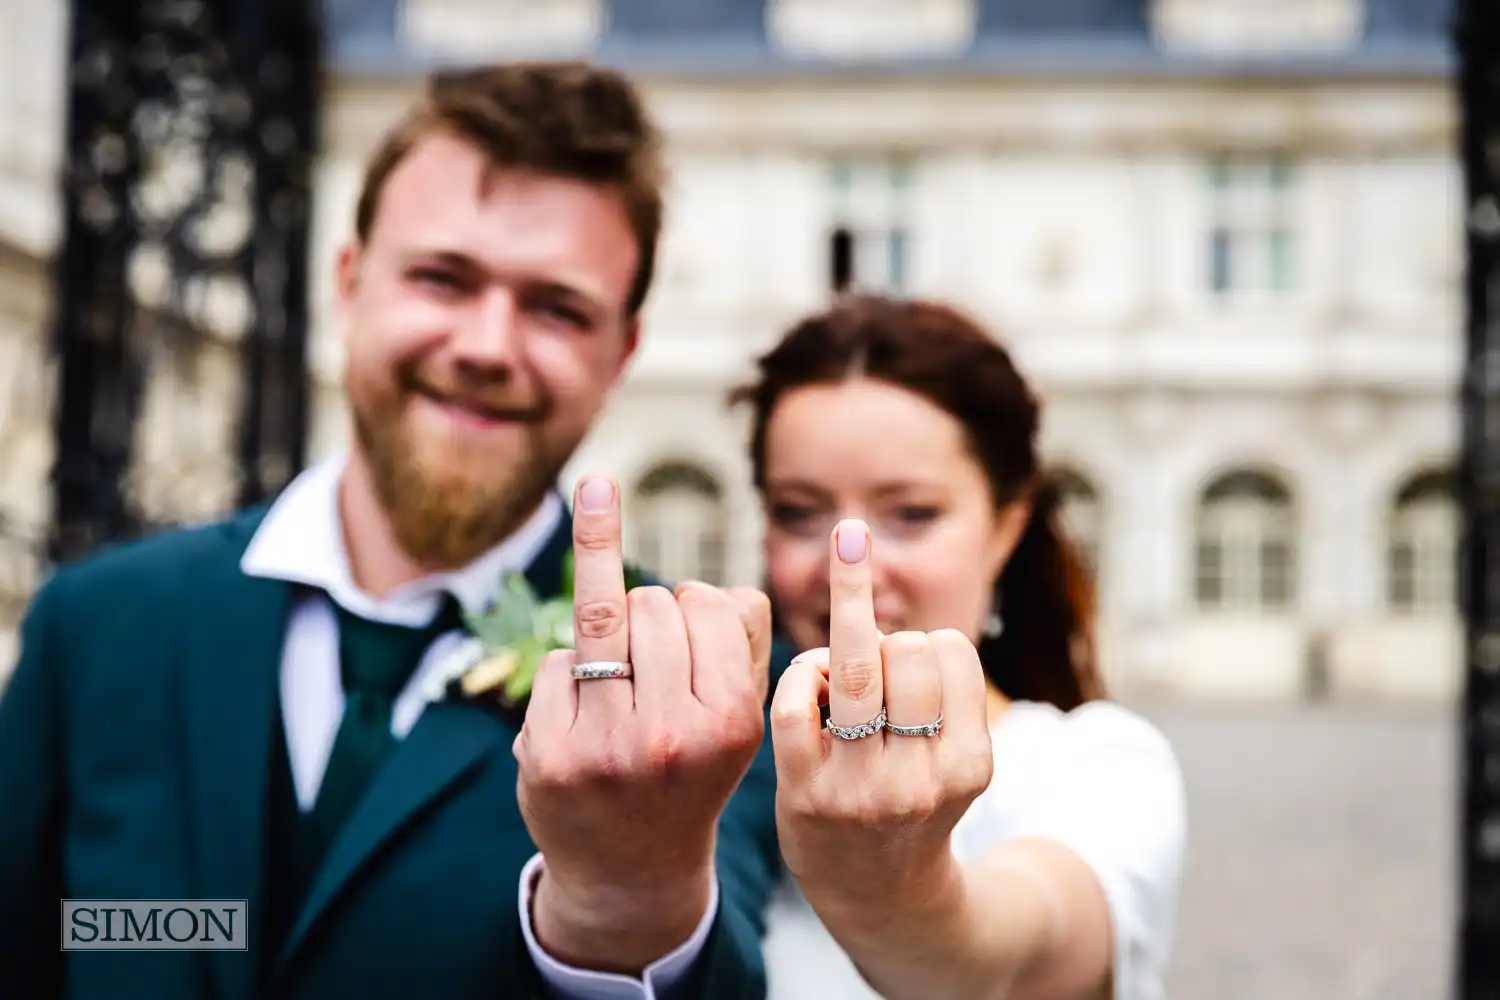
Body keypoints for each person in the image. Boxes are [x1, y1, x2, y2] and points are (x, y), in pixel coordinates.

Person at [0, 62, 786, 999]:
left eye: (556, 308)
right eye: (443, 279)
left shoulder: (695, 695)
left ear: (621, 354)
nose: (487, 346)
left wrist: (632, 894)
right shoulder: (97, 625)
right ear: (348, 281)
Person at [734, 295, 1187, 1000]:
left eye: (911, 513)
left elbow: (1017, 951)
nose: (846, 562)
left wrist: (890, 893)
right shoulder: (717, 773)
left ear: (1006, 529)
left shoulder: (1098, 764)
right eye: (798, 511)